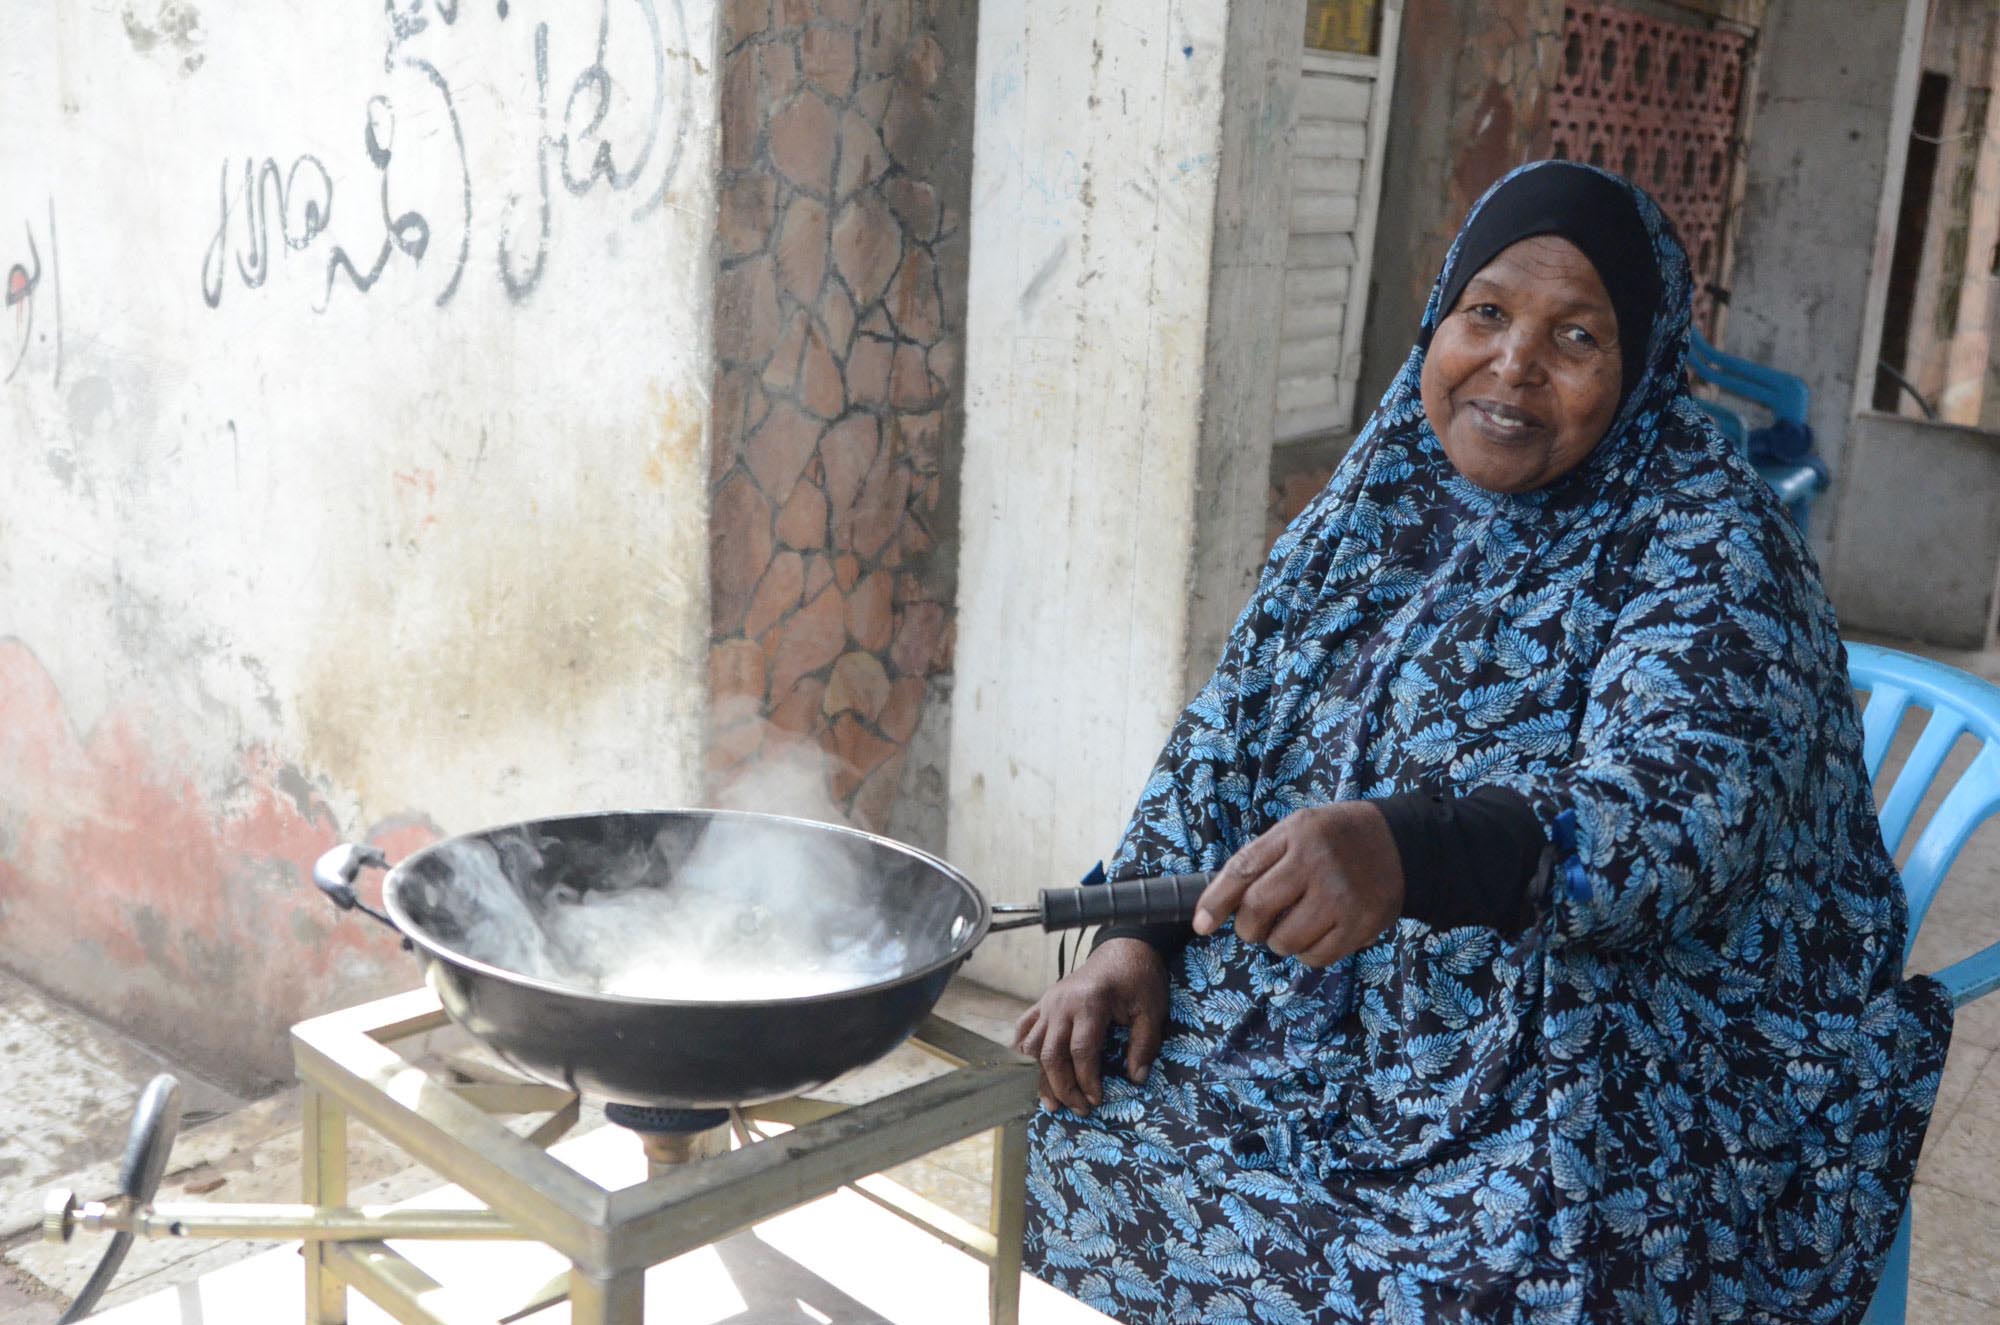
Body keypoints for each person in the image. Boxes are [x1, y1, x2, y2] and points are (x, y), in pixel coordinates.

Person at [1013, 161, 1952, 1324]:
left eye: (1575, 337)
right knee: (1089, 1128)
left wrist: (1404, 848)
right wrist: (1133, 936)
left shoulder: (1705, 538)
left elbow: (1672, 816)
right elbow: (1227, 732)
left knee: (1466, 1274)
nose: (1512, 366)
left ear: (1643, 363)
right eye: (1487, 313)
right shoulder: (1378, 493)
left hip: (1618, 1020)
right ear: (1438, 318)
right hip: (1356, 1004)